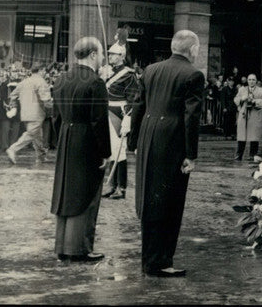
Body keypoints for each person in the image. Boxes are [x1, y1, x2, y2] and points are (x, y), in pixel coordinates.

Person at [127, 29, 204, 278]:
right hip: (172, 140)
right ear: (191, 49)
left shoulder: (151, 70)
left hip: (149, 136)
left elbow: (138, 105)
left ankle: (149, 259)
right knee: (170, 202)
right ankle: (161, 261)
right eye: (198, 48)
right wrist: (191, 154)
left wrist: (134, 141)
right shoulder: (193, 74)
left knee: (150, 198)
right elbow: (191, 117)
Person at [51, 37, 110, 262]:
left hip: (66, 137)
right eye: (102, 53)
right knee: (87, 194)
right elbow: (99, 121)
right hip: (86, 140)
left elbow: (55, 116)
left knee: (66, 192)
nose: (103, 57)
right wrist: (105, 152)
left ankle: (62, 246)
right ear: (93, 55)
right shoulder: (96, 83)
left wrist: (64, 137)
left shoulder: (61, 78)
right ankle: (80, 248)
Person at [100, 42, 140, 199]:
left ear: (122, 56)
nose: (110, 56)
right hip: (108, 110)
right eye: (109, 54)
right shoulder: (108, 72)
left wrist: (128, 118)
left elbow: (133, 98)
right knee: (112, 150)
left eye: (113, 54)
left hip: (119, 113)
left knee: (119, 151)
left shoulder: (128, 75)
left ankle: (121, 188)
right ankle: (112, 185)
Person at [5, 61, 54, 165]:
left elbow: (12, 95)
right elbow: (46, 101)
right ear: (41, 70)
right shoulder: (41, 82)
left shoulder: (24, 82)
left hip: (25, 114)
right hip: (37, 114)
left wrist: (13, 107)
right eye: (45, 71)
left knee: (37, 135)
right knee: (31, 134)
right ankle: (12, 149)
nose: (45, 73)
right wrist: (55, 105)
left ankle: (41, 157)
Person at [234, 74, 262, 161]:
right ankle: (239, 155)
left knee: (254, 136)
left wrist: (255, 101)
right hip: (244, 114)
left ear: (256, 81)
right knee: (242, 135)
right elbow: (236, 99)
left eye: (253, 80)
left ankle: (252, 155)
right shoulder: (242, 89)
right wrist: (242, 98)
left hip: (255, 114)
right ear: (247, 80)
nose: (251, 81)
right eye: (249, 80)